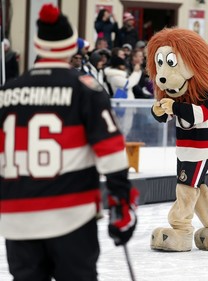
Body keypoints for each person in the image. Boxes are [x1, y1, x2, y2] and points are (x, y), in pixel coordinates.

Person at [0, 4, 138, 280]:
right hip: (70, 216)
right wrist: (122, 202)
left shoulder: (7, 92)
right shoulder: (85, 89)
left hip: (17, 220)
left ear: (39, 45)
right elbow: (111, 153)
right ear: (69, 47)